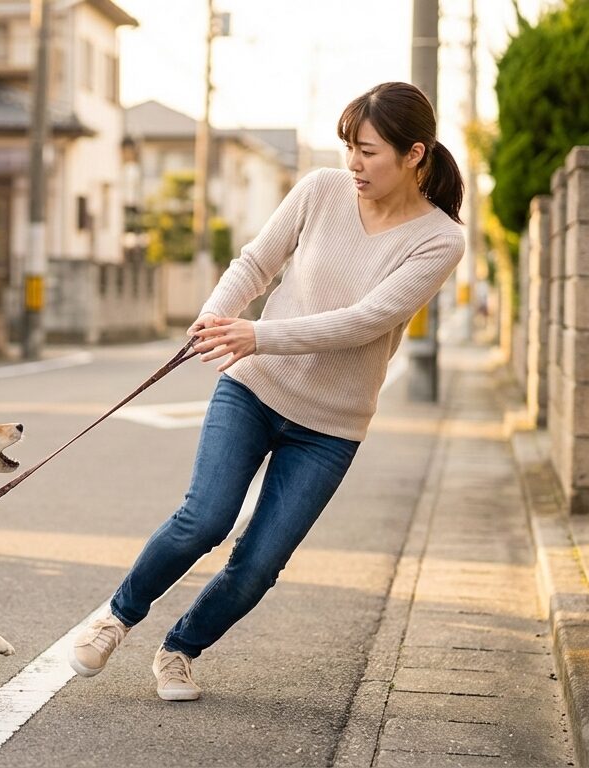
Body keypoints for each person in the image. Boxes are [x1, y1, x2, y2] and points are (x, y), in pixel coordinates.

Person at [70, 82, 466, 701]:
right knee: (205, 517)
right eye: (349, 148)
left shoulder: (440, 239)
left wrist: (256, 333)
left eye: (368, 152)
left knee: (258, 565)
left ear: (415, 154)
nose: (353, 165)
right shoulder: (319, 190)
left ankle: (179, 650)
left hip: (331, 426)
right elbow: (254, 264)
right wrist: (216, 318)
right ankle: (116, 616)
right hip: (254, 389)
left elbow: (366, 320)